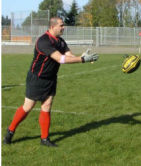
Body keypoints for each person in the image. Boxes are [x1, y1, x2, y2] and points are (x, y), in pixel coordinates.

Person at [3, 17, 99, 147]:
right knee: (28, 107)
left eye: (63, 25)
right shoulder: (43, 41)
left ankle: (44, 139)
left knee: (47, 106)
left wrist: (81, 56)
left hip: (51, 78)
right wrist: (82, 60)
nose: (63, 27)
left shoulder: (60, 41)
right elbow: (60, 59)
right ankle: (10, 131)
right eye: (61, 25)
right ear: (53, 26)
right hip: (37, 78)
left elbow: (69, 55)